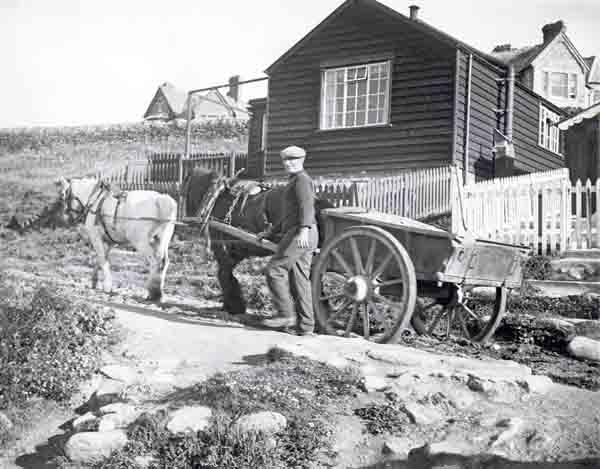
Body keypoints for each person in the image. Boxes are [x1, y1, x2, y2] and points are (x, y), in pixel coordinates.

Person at [259, 145, 318, 336]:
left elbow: (306, 206)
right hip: (302, 232)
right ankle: (306, 327)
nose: (289, 164)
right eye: (286, 160)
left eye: (293, 160)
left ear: (302, 160)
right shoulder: (294, 180)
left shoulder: (301, 180)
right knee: (300, 280)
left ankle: (285, 314)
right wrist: (269, 232)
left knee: (274, 270)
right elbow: (288, 215)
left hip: (300, 233)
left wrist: (303, 231)